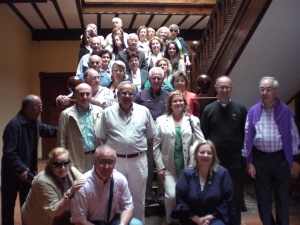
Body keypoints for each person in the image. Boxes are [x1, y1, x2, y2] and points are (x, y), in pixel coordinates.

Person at [243, 76, 300, 225]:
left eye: (268, 89)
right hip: (260, 159)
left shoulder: (285, 111)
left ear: (275, 91)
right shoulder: (253, 111)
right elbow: (247, 136)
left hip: (280, 159)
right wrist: (249, 162)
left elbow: (294, 136)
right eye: (262, 89)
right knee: (263, 197)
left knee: (282, 196)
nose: (265, 92)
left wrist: (290, 157)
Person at [99, 81, 156, 222]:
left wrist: (132, 147)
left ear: (134, 95)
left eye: (130, 93)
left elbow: (150, 137)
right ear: (117, 94)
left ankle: (137, 223)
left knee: (138, 197)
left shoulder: (144, 111)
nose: (127, 96)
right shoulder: (107, 112)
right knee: (115, 195)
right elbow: (102, 137)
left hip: (138, 160)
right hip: (115, 161)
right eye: (123, 92)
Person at [1, 95, 57, 225]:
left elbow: (47, 130)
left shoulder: (35, 123)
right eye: (39, 107)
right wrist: (21, 170)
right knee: (8, 206)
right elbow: (10, 153)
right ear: (28, 108)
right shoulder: (14, 125)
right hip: (12, 174)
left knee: (27, 206)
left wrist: (65, 130)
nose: (41, 110)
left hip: (27, 172)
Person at [201, 75, 247, 225]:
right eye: (221, 87)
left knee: (234, 196)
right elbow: (204, 136)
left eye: (227, 87)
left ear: (231, 89)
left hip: (235, 160)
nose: (224, 90)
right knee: (215, 194)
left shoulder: (241, 109)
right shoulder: (208, 110)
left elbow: (245, 134)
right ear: (216, 88)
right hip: (215, 161)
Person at [153, 90, 204, 225]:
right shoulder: (161, 121)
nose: (178, 103)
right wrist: (160, 167)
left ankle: (186, 219)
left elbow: (202, 142)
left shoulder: (193, 120)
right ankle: (169, 219)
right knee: (171, 195)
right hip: (169, 166)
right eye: (175, 101)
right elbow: (155, 146)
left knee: (189, 195)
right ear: (170, 104)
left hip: (189, 167)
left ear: (184, 102)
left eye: (180, 100)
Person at [70, 145, 143, 225]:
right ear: (94, 161)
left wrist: (122, 224)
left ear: (115, 163)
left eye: (110, 162)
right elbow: (79, 221)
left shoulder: (119, 179)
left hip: (111, 220)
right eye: (102, 162)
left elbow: (128, 207)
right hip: (89, 222)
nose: (107, 167)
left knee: (136, 224)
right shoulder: (83, 185)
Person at [171, 140, 236, 225]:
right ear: (196, 155)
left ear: (213, 156)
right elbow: (181, 200)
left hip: (215, 217)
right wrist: (197, 219)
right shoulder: (186, 174)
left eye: (209, 153)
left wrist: (210, 216)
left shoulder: (223, 173)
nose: (205, 155)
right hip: (191, 218)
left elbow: (227, 200)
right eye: (202, 152)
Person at [134, 67, 170, 207]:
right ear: (149, 80)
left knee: (163, 166)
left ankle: (161, 194)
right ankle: (148, 195)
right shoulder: (140, 96)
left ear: (163, 79)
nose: (156, 80)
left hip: (163, 138)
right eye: (153, 78)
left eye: (159, 78)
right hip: (146, 138)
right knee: (147, 167)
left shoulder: (168, 96)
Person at [21, 147, 86, 225]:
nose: (63, 168)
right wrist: (71, 191)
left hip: (60, 215)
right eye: (57, 164)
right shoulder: (43, 181)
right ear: (50, 165)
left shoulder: (71, 170)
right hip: (39, 219)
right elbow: (55, 211)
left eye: (66, 163)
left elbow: (86, 182)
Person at [57, 83, 103, 173]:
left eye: (87, 94)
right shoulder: (66, 114)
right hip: (75, 157)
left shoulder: (100, 111)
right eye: (81, 94)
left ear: (92, 95)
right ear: (76, 95)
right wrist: (63, 160)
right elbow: (61, 141)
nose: (85, 97)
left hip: (96, 156)